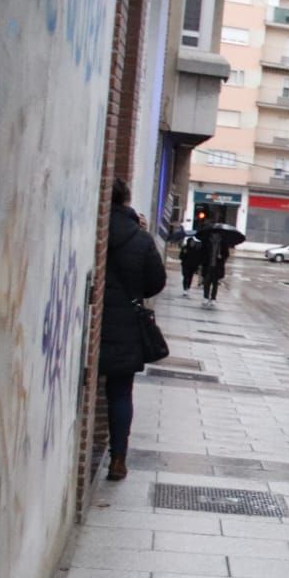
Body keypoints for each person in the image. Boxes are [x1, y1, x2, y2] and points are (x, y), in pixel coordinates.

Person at [100, 179, 167, 481]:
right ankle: (117, 458)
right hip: (126, 323)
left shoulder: (94, 227)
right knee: (120, 392)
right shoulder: (140, 238)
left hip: (90, 320)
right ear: (127, 200)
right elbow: (156, 282)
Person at [199, 227, 229, 307]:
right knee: (206, 282)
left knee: (215, 283)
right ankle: (205, 297)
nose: (215, 236)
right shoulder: (207, 242)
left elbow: (226, 254)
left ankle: (213, 298)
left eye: (217, 235)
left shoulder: (223, 243)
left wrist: (222, 257)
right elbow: (202, 252)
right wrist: (203, 262)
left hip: (217, 266)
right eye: (214, 235)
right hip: (208, 265)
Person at [178, 231, 202, 295]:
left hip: (193, 266)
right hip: (185, 265)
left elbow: (198, 258)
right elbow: (180, 256)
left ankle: (188, 288)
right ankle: (185, 288)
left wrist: (198, 265)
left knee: (190, 277)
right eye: (191, 242)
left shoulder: (196, 249)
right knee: (185, 276)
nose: (192, 244)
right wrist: (184, 253)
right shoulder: (185, 248)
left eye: (193, 243)